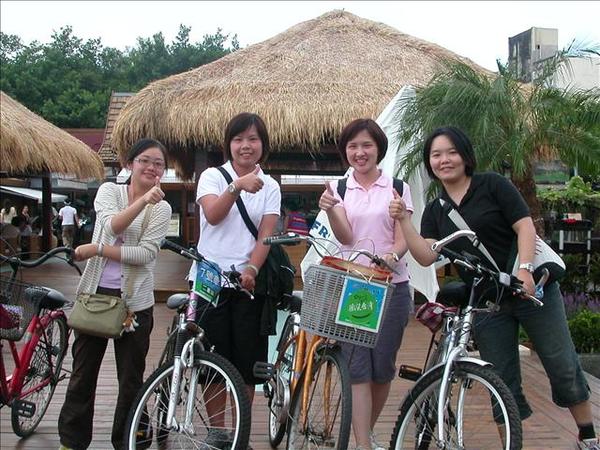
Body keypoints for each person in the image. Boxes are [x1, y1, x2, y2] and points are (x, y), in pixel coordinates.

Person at [389, 126, 598, 449]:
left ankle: (588, 436)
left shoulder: (493, 185)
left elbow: (524, 226)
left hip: (529, 290)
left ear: (465, 156)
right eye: (436, 155)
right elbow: (427, 256)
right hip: (488, 303)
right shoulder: (436, 209)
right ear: (429, 162)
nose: (444, 160)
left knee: (562, 364)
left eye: (451, 152)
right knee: (499, 379)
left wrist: (526, 269)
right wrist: (404, 221)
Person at [58, 138, 172, 450]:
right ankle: (71, 441)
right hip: (94, 297)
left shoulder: (163, 208)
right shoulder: (109, 191)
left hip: (135, 305)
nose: (151, 167)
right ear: (130, 164)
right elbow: (111, 226)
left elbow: (146, 254)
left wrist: (97, 249)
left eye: (158, 164)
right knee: (82, 374)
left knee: (131, 379)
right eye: (144, 160)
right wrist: (143, 200)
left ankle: (129, 441)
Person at [318, 118, 413, 450]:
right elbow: (346, 237)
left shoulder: (397, 186)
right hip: (354, 286)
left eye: (366, 145)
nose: (360, 152)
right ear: (346, 151)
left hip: (392, 286)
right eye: (353, 146)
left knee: (382, 369)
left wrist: (391, 256)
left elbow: (403, 236)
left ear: (378, 149)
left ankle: (366, 433)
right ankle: (362, 444)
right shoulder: (340, 188)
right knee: (357, 369)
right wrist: (332, 210)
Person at [188, 112, 281, 448]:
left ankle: (240, 431)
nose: (246, 146)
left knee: (246, 362)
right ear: (228, 144)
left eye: (253, 139)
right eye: (239, 139)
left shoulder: (271, 186)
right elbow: (213, 215)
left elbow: (266, 237)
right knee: (211, 360)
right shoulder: (212, 176)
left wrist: (252, 270)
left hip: (247, 285)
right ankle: (218, 432)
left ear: (263, 145)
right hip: (209, 281)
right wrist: (237, 186)